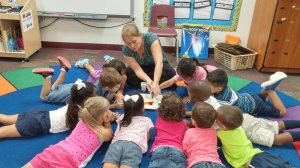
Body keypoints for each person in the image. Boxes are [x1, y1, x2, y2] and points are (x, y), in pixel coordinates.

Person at [187, 80, 300, 147]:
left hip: (241, 128)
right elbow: (198, 112)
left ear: (195, 99)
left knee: (277, 140)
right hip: (242, 117)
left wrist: (187, 122)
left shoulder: (202, 110)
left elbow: (199, 123)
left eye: (190, 96)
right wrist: (186, 113)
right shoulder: (211, 98)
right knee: (276, 125)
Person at [23, 96, 114, 168]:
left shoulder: (82, 120)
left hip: (56, 150)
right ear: (104, 116)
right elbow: (110, 135)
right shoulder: (102, 132)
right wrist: (107, 122)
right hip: (70, 160)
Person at [0, 81, 98, 139]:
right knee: (3, 132)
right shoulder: (81, 114)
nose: (97, 98)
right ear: (85, 100)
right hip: (37, 124)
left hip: (39, 114)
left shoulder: (72, 102)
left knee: (6, 119)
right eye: (95, 97)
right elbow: (94, 125)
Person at [216, 105, 294, 168]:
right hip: (261, 154)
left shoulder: (220, 133)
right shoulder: (238, 126)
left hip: (255, 163)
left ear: (223, 126)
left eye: (216, 119)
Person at [33, 57, 123, 109]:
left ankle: (64, 69)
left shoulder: (101, 82)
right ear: (107, 87)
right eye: (117, 86)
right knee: (44, 97)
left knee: (56, 87)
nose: (118, 88)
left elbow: (106, 97)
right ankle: (47, 77)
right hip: (69, 93)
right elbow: (97, 108)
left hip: (74, 87)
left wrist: (114, 93)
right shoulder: (95, 95)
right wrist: (114, 106)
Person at [121, 23, 176, 96]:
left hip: (157, 66)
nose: (132, 46)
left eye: (134, 41)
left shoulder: (151, 38)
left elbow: (159, 63)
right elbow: (137, 70)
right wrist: (148, 80)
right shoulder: (125, 49)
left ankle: (153, 85)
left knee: (171, 73)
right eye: (128, 44)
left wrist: (156, 83)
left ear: (139, 35)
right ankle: (153, 85)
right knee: (127, 74)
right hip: (142, 68)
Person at [103, 91, 154, 168]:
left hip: (116, 144)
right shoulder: (147, 120)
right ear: (143, 108)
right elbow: (147, 138)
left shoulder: (122, 117)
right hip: (134, 146)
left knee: (109, 164)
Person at [206, 69, 287, 117]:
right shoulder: (223, 87)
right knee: (263, 97)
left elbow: (218, 113)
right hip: (248, 97)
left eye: (207, 85)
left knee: (281, 112)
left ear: (218, 88)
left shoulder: (223, 101)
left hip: (254, 106)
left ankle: (270, 90)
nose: (205, 86)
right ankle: (268, 87)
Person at [148, 92, 187, 168]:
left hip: (159, 149)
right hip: (177, 150)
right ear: (182, 109)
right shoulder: (183, 123)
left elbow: (157, 132)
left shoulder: (159, 119)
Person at [183, 102, 224, 168]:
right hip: (216, 163)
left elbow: (184, 148)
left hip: (197, 162)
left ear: (193, 121)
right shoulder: (214, 132)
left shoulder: (189, 132)